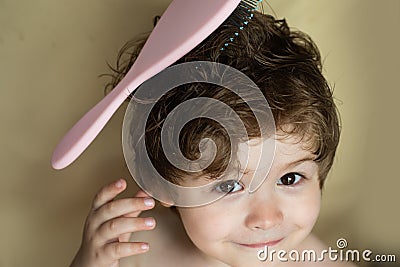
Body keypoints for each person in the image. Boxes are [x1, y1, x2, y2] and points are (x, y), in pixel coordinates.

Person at [70, 10, 356, 267]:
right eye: (229, 186)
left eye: (290, 178)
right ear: (162, 183)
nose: (267, 218)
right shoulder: (136, 245)